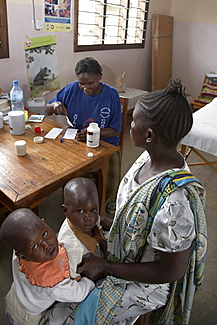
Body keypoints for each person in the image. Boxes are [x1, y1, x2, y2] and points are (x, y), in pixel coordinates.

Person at [73, 79, 207, 324]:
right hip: (124, 255)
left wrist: (107, 267)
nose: (130, 124)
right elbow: (137, 212)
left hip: (147, 285)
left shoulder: (175, 205)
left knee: (78, 312)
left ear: (149, 135)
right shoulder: (146, 160)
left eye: (133, 120)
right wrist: (106, 221)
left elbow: (171, 271)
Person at [45, 57, 122, 214]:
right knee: (61, 161)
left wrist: (94, 133)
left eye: (90, 83)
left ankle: (108, 198)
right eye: (82, 84)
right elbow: (46, 109)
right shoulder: (73, 89)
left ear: (100, 76)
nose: (86, 88)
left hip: (105, 142)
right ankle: (75, 196)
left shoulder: (111, 95)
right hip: (78, 138)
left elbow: (115, 130)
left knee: (111, 160)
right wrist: (54, 105)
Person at [0, 208, 95, 325]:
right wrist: (89, 282)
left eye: (44, 234)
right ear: (22, 255)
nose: (46, 244)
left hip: (16, 294)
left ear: (44, 223)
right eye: (35, 247)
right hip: (28, 316)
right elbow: (78, 294)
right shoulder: (52, 283)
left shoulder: (20, 249)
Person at [58, 177, 108, 281]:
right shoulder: (71, 248)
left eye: (93, 210)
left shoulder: (90, 220)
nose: (88, 217)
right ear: (65, 211)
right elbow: (74, 279)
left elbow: (100, 226)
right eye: (80, 211)